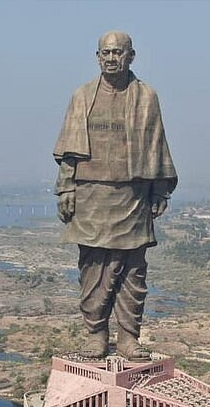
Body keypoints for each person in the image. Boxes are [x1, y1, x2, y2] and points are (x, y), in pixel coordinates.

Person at [53, 31, 177, 360]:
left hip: (133, 196)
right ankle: (96, 333)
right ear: (97, 57)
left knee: (133, 271)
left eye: (117, 52)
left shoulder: (146, 97)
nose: (111, 58)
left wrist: (159, 189)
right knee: (93, 269)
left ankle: (128, 337)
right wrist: (66, 187)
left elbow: (156, 144)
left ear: (130, 56)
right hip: (91, 195)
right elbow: (69, 151)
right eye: (105, 53)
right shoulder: (82, 96)